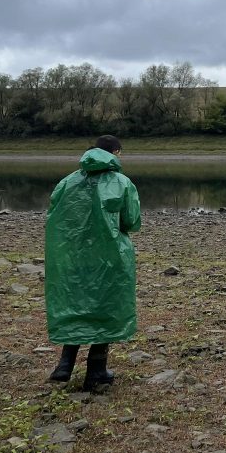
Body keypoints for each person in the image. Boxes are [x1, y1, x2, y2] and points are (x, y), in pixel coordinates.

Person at [44, 135, 141, 391]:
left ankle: (65, 364)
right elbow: (131, 221)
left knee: (75, 303)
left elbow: (55, 216)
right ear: (116, 152)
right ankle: (96, 370)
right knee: (105, 307)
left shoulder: (67, 181)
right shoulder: (122, 182)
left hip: (72, 255)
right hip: (109, 255)